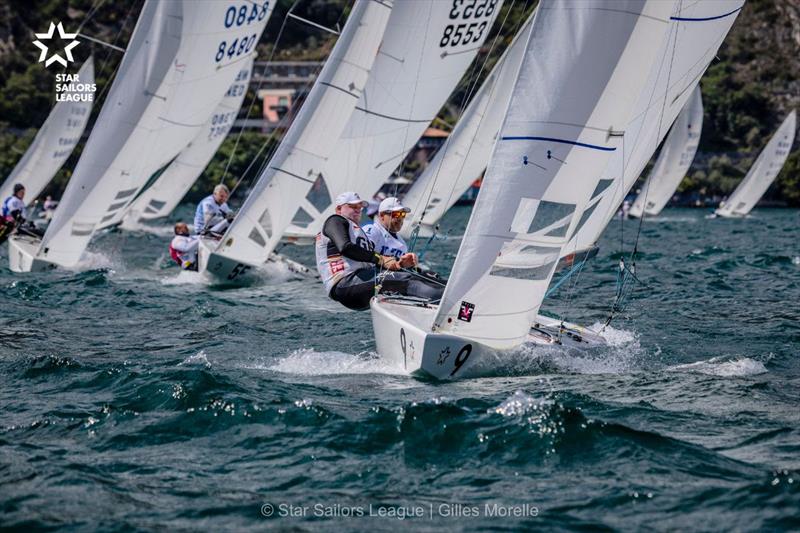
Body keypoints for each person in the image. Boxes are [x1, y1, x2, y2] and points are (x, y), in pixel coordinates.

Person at [316, 192, 444, 311]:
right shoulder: (335, 220)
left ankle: (452, 295)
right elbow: (345, 247)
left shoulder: (356, 231)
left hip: (360, 283)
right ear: (339, 209)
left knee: (425, 276)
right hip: (344, 284)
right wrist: (381, 259)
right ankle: (448, 307)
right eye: (352, 206)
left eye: (360, 207)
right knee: (407, 281)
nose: (358, 210)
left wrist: (399, 265)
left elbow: (369, 260)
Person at [364, 197, 415, 261]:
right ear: (382, 215)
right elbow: (361, 252)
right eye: (396, 214)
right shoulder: (371, 230)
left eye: (402, 214)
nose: (400, 218)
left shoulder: (402, 244)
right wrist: (382, 260)